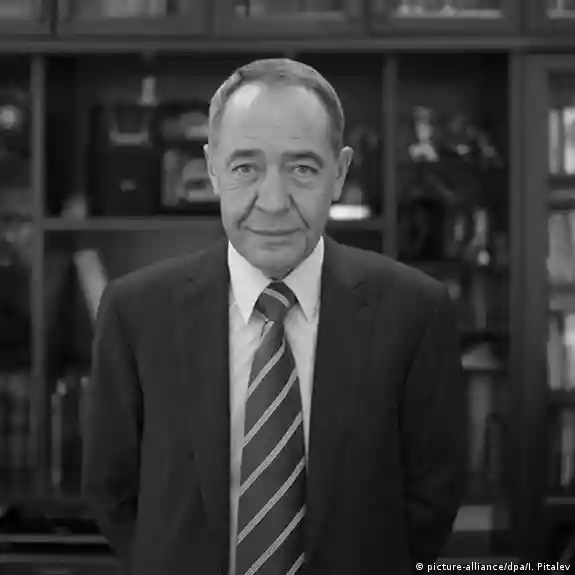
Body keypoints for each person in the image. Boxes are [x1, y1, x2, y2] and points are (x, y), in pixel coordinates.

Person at [82, 58, 466, 575]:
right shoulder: (135, 312)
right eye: (245, 168)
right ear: (212, 169)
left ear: (340, 173)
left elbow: (431, 501)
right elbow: (112, 491)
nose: (273, 201)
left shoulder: (415, 311)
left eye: (302, 168)